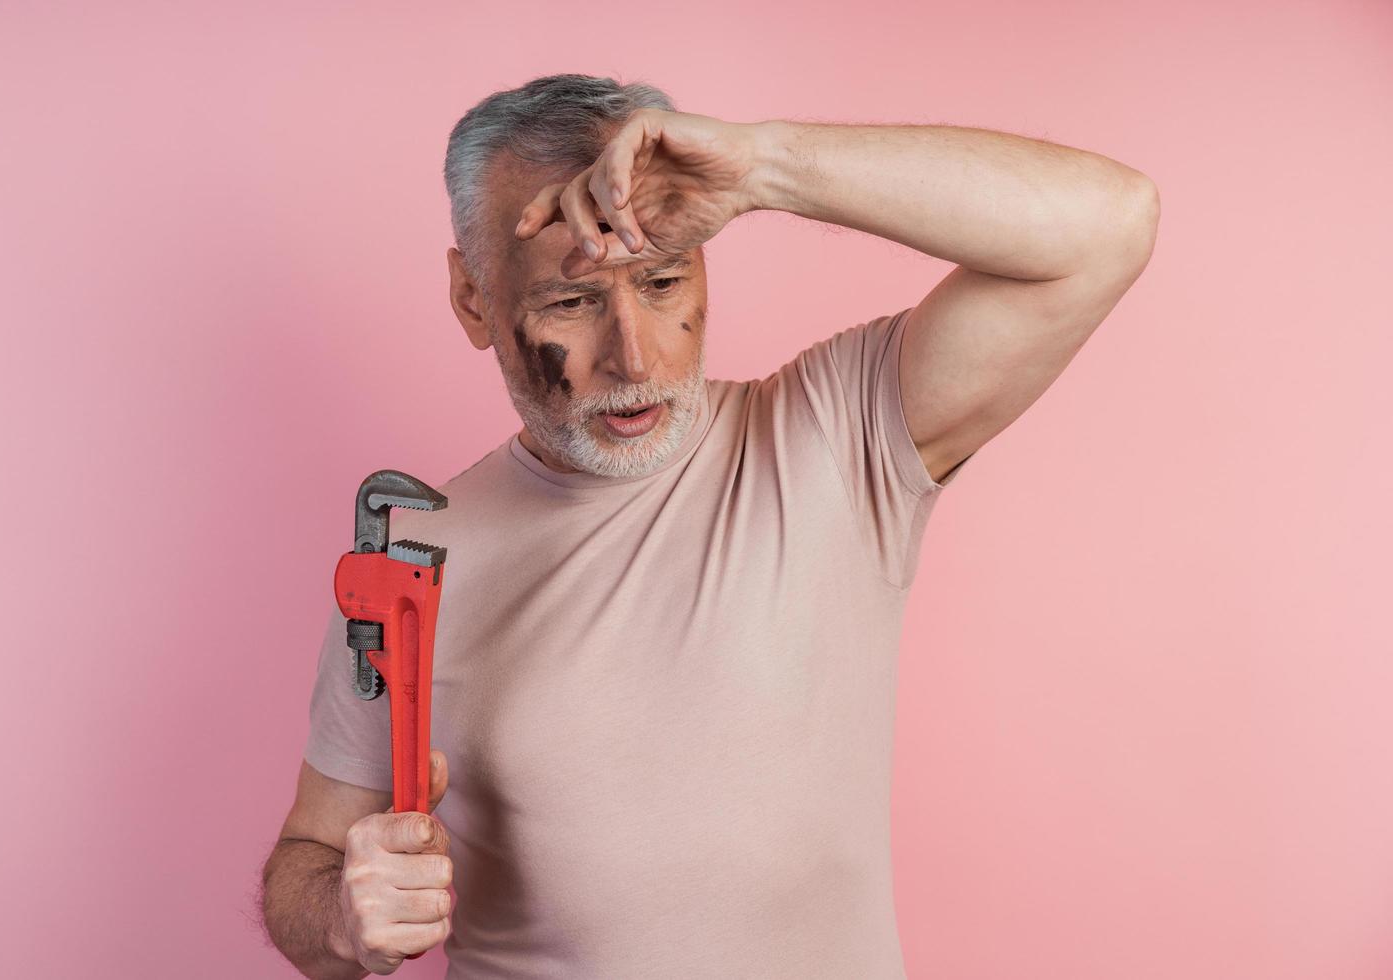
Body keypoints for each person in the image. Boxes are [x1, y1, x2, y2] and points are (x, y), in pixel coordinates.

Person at [258, 73, 1159, 979]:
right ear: (474, 300)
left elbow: (1110, 222)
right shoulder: (413, 558)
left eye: (660, 280)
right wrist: (341, 915)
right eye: (571, 302)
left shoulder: (833, 436)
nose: (634, 354)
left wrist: (766, 166)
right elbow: (312, 855)